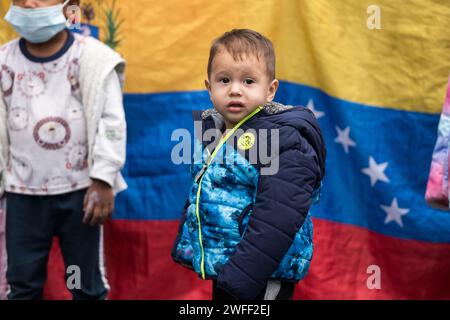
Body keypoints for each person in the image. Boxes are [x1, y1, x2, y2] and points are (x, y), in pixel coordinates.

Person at [172, 29, 326, 300]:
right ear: (209, 88)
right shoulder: (216, 132)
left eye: (248, 81)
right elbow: (202, 195)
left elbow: (279, 216)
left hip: (260, 274)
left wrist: (243, 277)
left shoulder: (283, 139)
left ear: (270, 90)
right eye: (224, 80)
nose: (234, 90)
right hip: (229, 270)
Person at [0, 0, 127, 299]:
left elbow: (112, 122)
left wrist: (103, 178)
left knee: (82, 284)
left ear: (69, 5)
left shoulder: (92, 59)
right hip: (23, 199)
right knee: (22, 284)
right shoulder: (4, 62)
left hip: (80, 198)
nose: (30, 2)